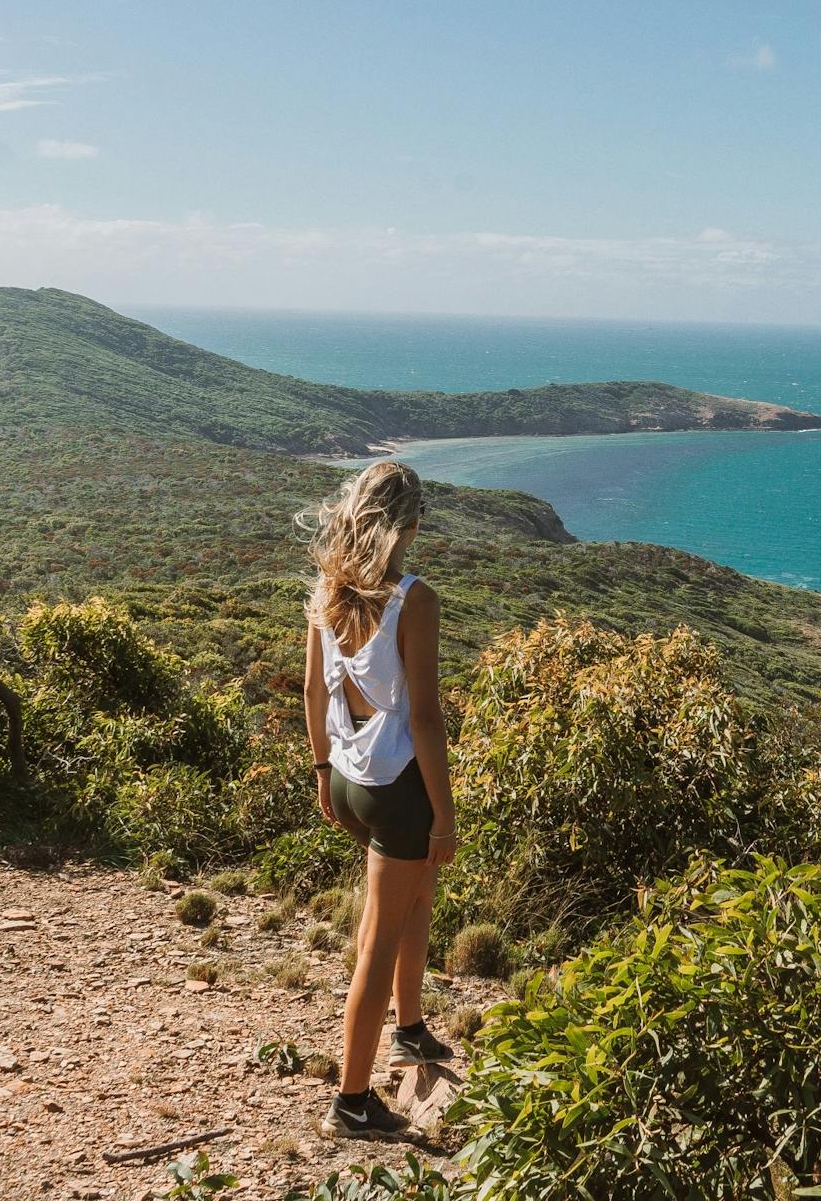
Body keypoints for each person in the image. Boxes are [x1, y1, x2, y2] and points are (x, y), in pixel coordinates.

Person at [301, 461, 457, 1141]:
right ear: (410, 524)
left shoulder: (328, 587)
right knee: (377, 938)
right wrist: (445, 818)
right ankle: (353, 1100)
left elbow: (311, 691)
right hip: (397, 787)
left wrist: (320, 775)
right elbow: (425, 718)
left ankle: (412, 1028)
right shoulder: (412, 599)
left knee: (414, 896)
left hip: (347, 773)